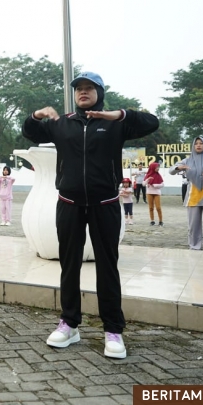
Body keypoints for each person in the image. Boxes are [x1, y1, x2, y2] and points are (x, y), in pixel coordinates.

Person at [22, 71, 159, 359]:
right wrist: (37, 114)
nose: (83, 92)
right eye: (79, 89)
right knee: (68, 265)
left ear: (99, 92)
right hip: (69, 203)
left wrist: (117, 115)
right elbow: (30, 131)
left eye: (89, 88)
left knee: (107, 266)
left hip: (105, 203)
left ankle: (113, 330)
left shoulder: (115, 125)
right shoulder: (62, 124)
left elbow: (151, 122)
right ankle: (69, 324)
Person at [144, 162, 164, 227]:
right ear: (153, 168)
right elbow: (143, 184)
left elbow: (162, 184)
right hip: (149, 193)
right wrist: (147, 180)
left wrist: (155, 185)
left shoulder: (158, 175)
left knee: (158, 207)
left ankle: (161, 221)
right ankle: (152, 220)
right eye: (157, 167)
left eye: (158, 167)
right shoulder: (147, 175)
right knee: (151, 207)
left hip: (157, 193)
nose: (158, 168)